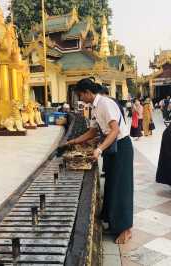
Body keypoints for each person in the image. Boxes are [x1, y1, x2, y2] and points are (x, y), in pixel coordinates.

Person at [67, 78, 134, 244]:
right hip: (112, 148)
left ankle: (125, 229)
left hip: (122, 147)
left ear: (88, 93)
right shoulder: (94, 107)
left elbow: (114, 130)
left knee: (122, 188)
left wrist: (99, 149)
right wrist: (73, 142)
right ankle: (113, 223)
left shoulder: (105, 103)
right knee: (111, 186)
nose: (80, 98)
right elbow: (92, 131)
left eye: (80, 95)